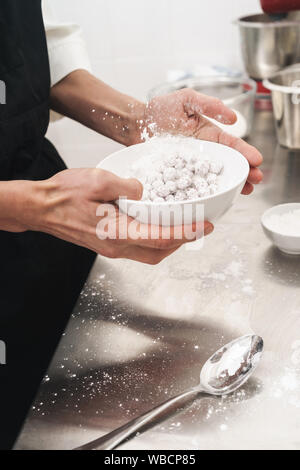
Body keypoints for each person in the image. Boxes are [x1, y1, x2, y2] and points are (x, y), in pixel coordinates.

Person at [0, 0, 263, 450]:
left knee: (60, 407)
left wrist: (140, 124)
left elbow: (29, 58)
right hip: (31, 207)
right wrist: (30, 204)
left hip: (44, 231)